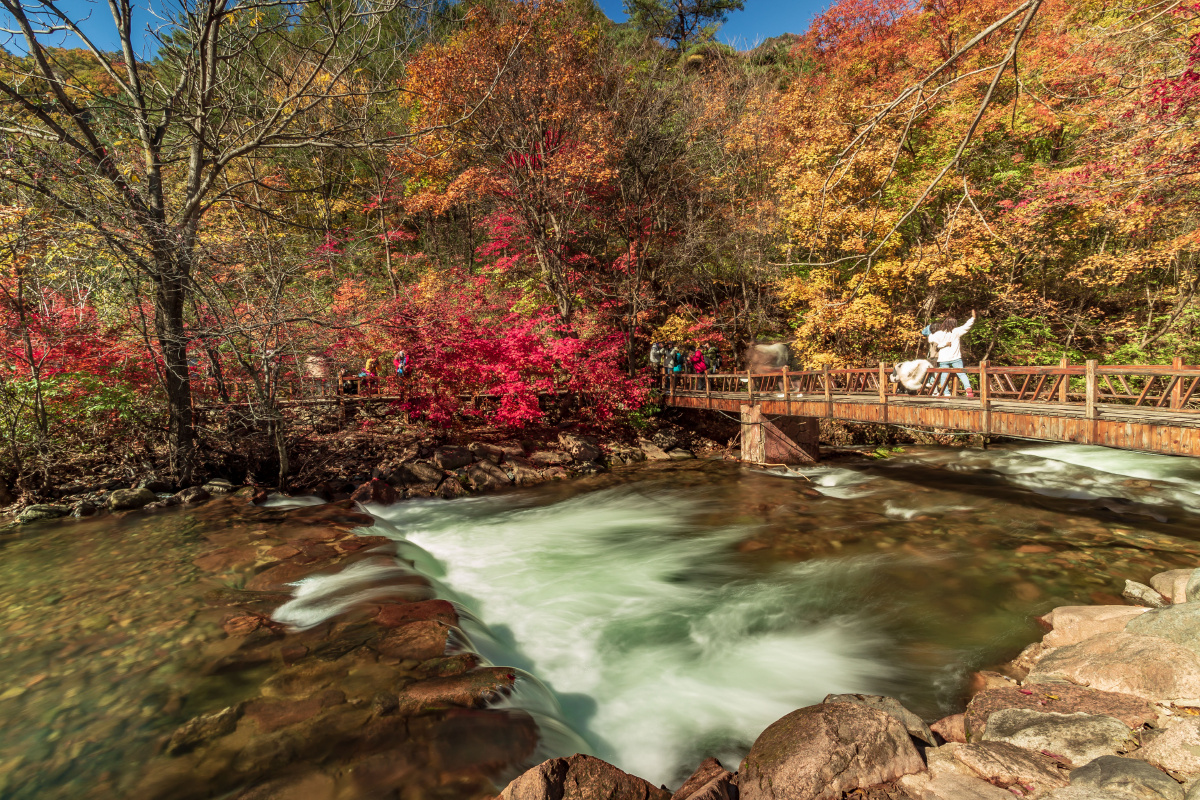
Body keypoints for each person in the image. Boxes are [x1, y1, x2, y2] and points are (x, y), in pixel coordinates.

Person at [922, 310, 976, 397]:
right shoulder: (956, 331)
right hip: (956, 357)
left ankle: (946, 393)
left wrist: (943, 343)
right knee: (961, 373)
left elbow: (931, 339)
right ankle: (968, 389)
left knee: (944, 375)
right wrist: (972, 318)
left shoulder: (939, 334)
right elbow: (966, 326)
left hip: (943, 359)